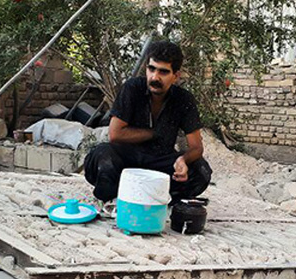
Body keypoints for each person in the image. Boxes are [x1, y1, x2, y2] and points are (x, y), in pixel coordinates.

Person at [84, 40, 212, 203]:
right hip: (127, 158)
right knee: (102, 156)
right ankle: (114, 197)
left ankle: (163, 199)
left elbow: (196, 147)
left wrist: (183, 160)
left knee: (201, 170)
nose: (155, 77)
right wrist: (154, 133)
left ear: (176, 76)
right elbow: (115, 135)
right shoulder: (132, 88)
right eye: (151, 69)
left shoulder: (183, 99)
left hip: (161, 161)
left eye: (163, 72)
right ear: (146, 68)